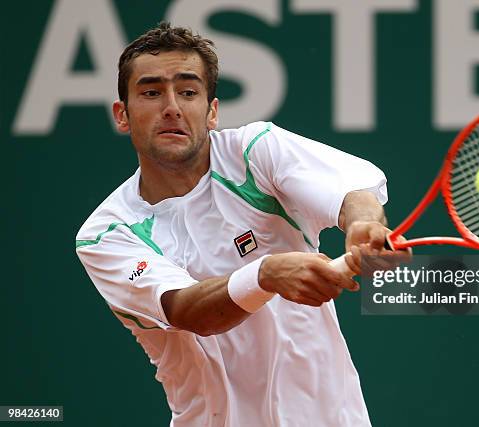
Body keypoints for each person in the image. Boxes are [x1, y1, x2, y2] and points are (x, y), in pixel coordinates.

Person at [75, 22, 396, 427]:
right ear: (123, 115)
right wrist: (265, 274)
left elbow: (352, 193)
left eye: (188, 92)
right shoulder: (108, 233)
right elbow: (190, 311)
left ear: (211, 111)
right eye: (151, 92)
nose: (171, 106)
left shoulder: (255, 151)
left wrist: (363, 225)